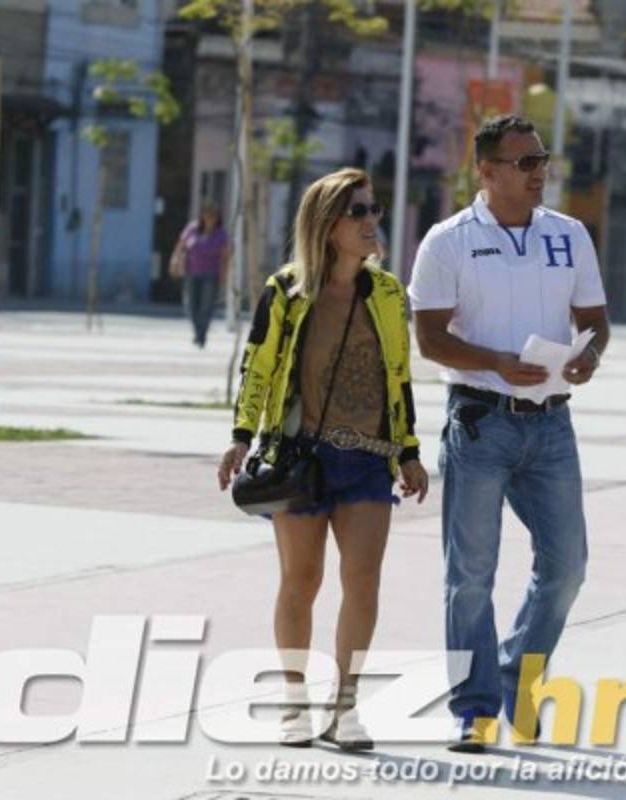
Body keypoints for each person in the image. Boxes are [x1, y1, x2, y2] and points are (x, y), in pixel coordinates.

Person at [407, 115, 610, 752]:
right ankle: (475, 710)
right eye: (523, 163)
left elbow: (597, 319)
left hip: (552, 424)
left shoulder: (569, 235)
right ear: (486, 171)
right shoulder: (447, 241)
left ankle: (516, 675)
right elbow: (430, 338)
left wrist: (589, 355)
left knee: (567, 567)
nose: (538, 173)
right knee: (469, 574)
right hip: (479, 422)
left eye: (542, 159)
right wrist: (496, 361)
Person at [216, 168, 429, 749]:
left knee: (362, 583)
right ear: (327, 224)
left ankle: (345, 705)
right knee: (300, 581)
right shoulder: (285, 290)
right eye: (358, 212)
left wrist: (409, 451)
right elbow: (258, 365)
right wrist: (241, 435)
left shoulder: (385, 293)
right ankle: (293, 702)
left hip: (367, 459)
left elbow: (400, 377)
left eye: (374, 210)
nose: (371, 222)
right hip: (300, 457)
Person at [171, 203, 230, 348]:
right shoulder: (192, 229)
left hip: (211, 274)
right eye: (207, 215)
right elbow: (181, 246)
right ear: (202, 216)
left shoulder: (221, 234)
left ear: (217, 218)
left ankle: (201, 335)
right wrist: (175, 260)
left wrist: (224, 275)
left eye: (213, 216)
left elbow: (226, 256)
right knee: (190, 304)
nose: (210, 218)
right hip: (191, 271)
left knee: (206, 306)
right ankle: (198, 331)